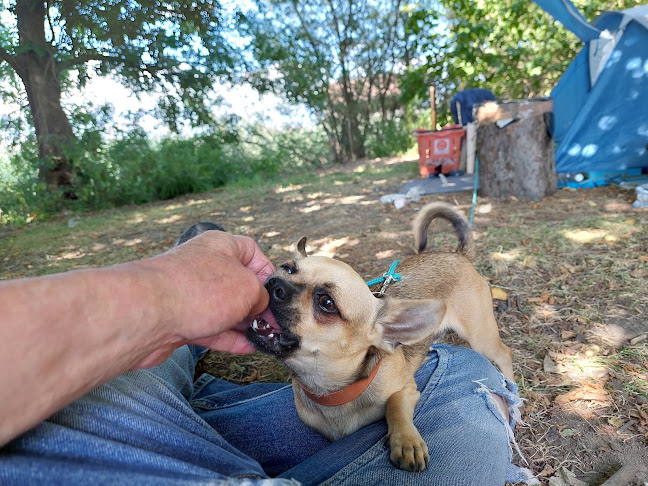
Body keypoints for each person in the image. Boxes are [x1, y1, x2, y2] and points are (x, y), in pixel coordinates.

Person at [0, 224, 538, 485]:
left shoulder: (389, 331)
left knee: (482, 358)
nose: (281, 286)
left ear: (385, 331)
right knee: (464, 421)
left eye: (322, 302)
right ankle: (194, 373)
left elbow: (401, 381)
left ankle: (189, 362)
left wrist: (161, 297)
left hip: (406, 350)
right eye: (288, 273)